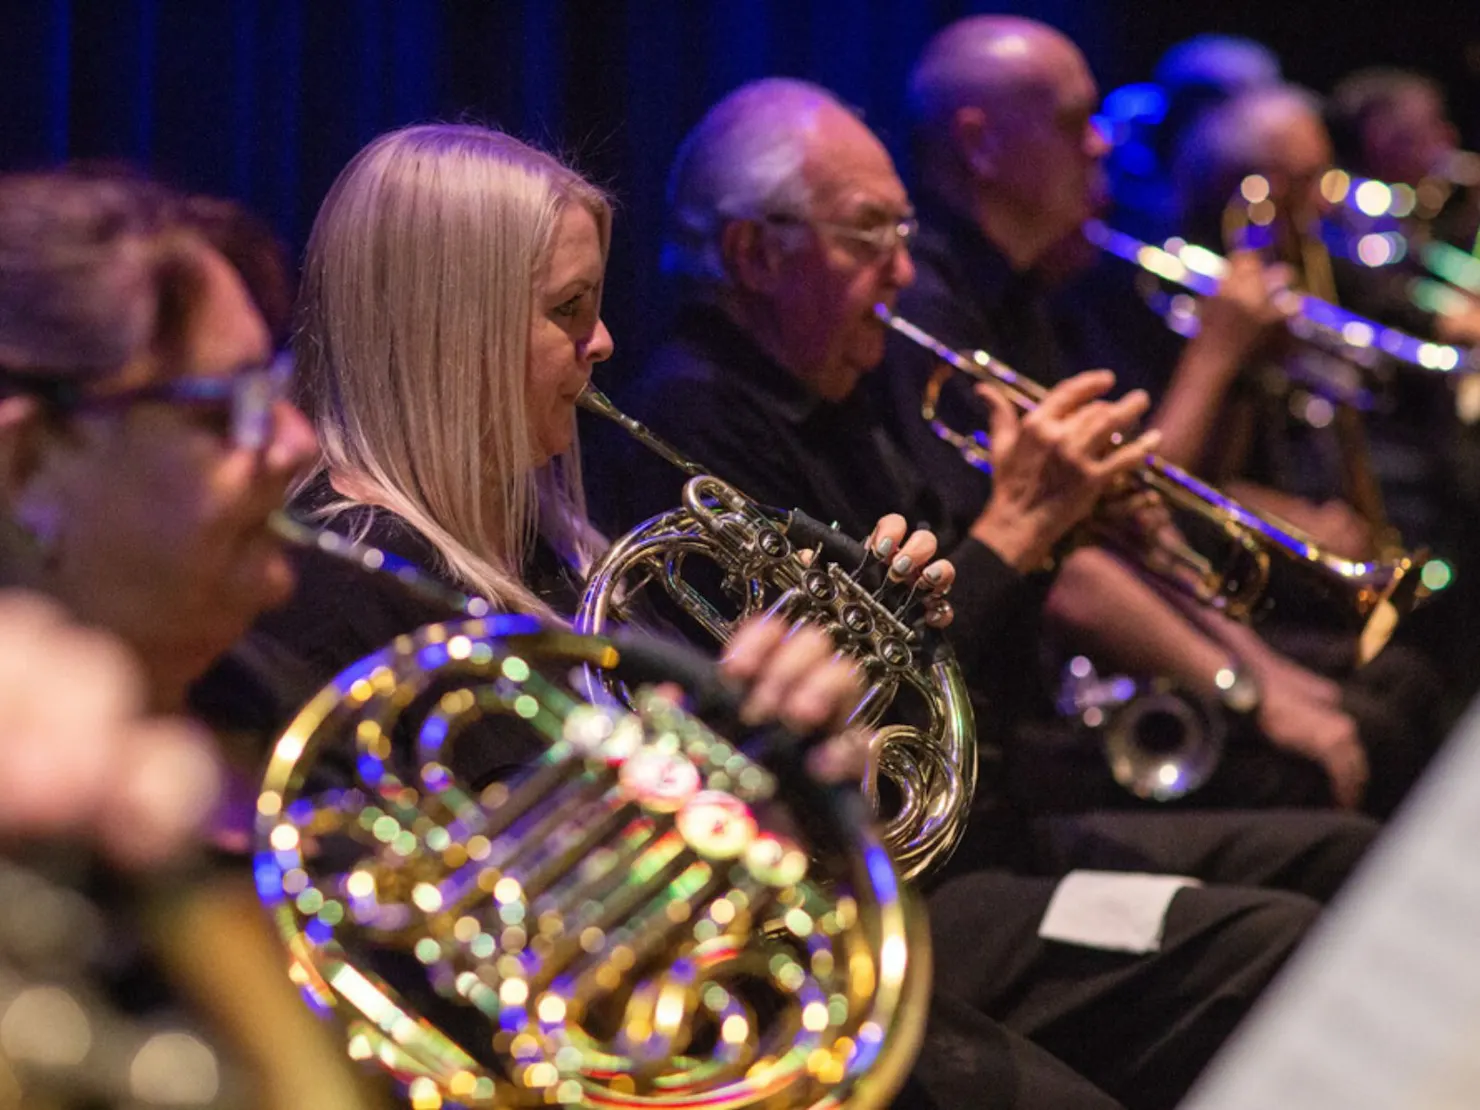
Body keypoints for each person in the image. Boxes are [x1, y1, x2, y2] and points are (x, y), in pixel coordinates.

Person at [587, 75, 1380, 1110]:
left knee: (1342, 860)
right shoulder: (689, 421)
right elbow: (862, 726)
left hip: (997, 827)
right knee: (1280, 942)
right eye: (869, 237)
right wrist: (1019, 528)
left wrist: (1058, 536)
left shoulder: (853, 385)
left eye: (907, 235)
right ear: (753, 256)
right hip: (895, 898)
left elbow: (980, 660)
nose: (903, 272)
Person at [0, 168, 385, 1109]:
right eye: (226, 411)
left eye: (280, 391)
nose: (296, 443)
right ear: (29, 467)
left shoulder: (313, 726)